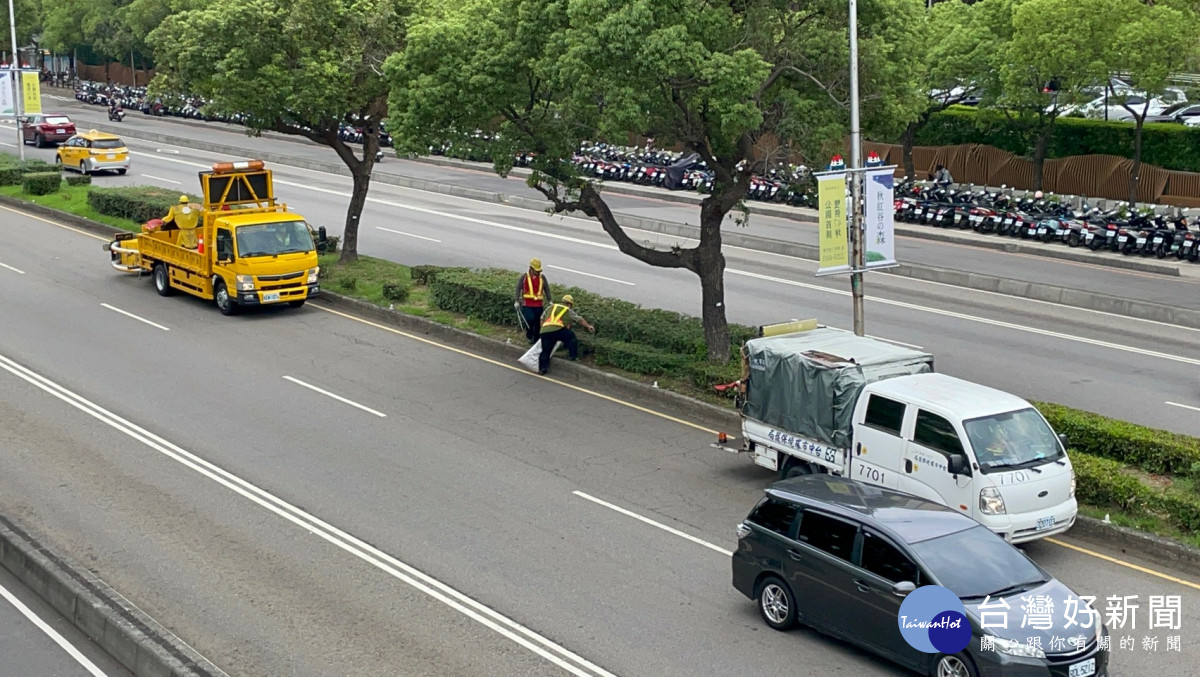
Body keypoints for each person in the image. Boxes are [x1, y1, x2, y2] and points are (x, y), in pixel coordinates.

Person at [537, 294, 594, 375]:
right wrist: (588, 326)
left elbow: (542, 318)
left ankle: (542, 369)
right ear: (569, 304)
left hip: (545, 330)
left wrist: (542, 329)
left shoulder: (551, 307)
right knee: (571, 338)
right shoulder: (567, 309)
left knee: (545, 351)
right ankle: (573, 356)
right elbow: (579, 319)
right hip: (558, 330)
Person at [514, 258, 553, 344]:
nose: (538, 273)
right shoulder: (524, 277)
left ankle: (536, 340)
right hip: (527, 305)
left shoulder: (542, 278)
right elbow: (518, 288)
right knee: (530, 319)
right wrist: (516, 301)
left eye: (539, 271)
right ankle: (529, 335)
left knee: (538, 323)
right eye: (536, 271)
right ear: (531, 269)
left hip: (539, 305)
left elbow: (547, 289)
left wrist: (550, 300)